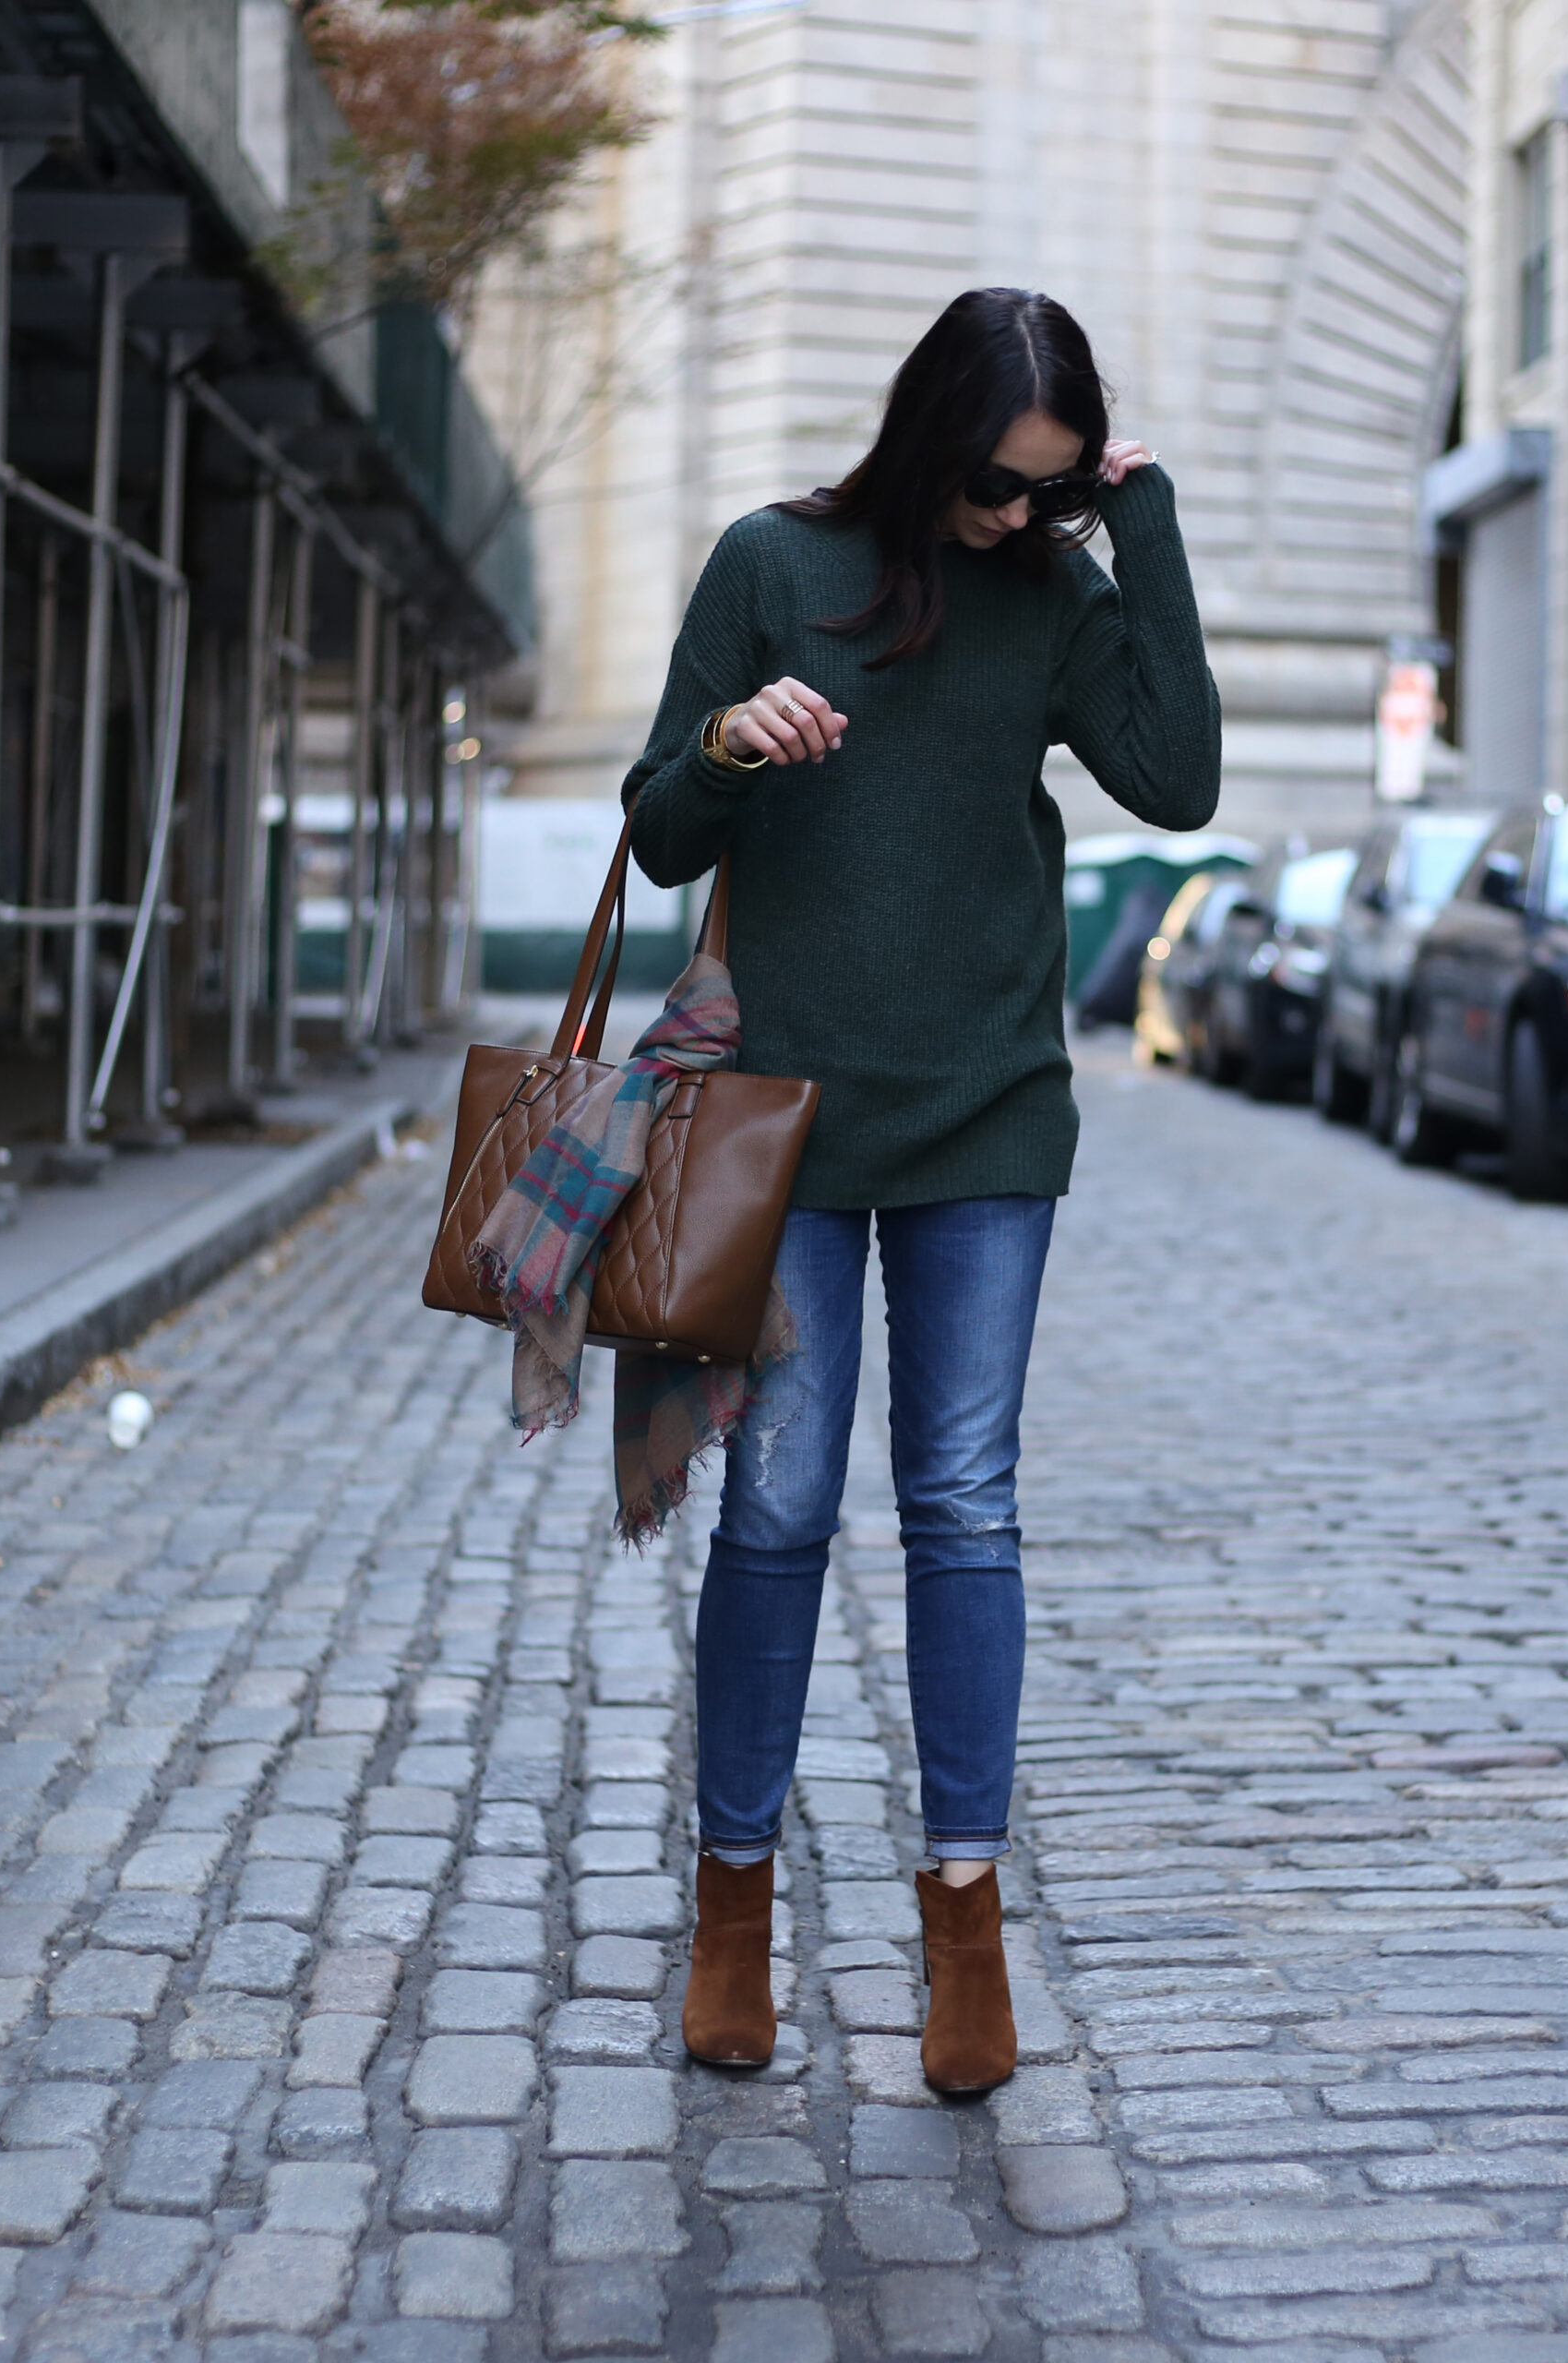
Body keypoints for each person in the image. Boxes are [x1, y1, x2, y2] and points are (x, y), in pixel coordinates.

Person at [623, 286, 1220, 2091]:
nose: (1010, 517)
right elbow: (658, 825)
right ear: (923, 439)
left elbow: (1177, 780)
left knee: (963, 1503)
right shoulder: (768, 564)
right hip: (780, 1118)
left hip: (984, 1115)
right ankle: (735, 1900)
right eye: (989, 484)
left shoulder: (1056, 585)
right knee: (777, 1509)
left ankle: (961, 1914)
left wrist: (1146, 524)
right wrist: (731, 743)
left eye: (1045, 489)